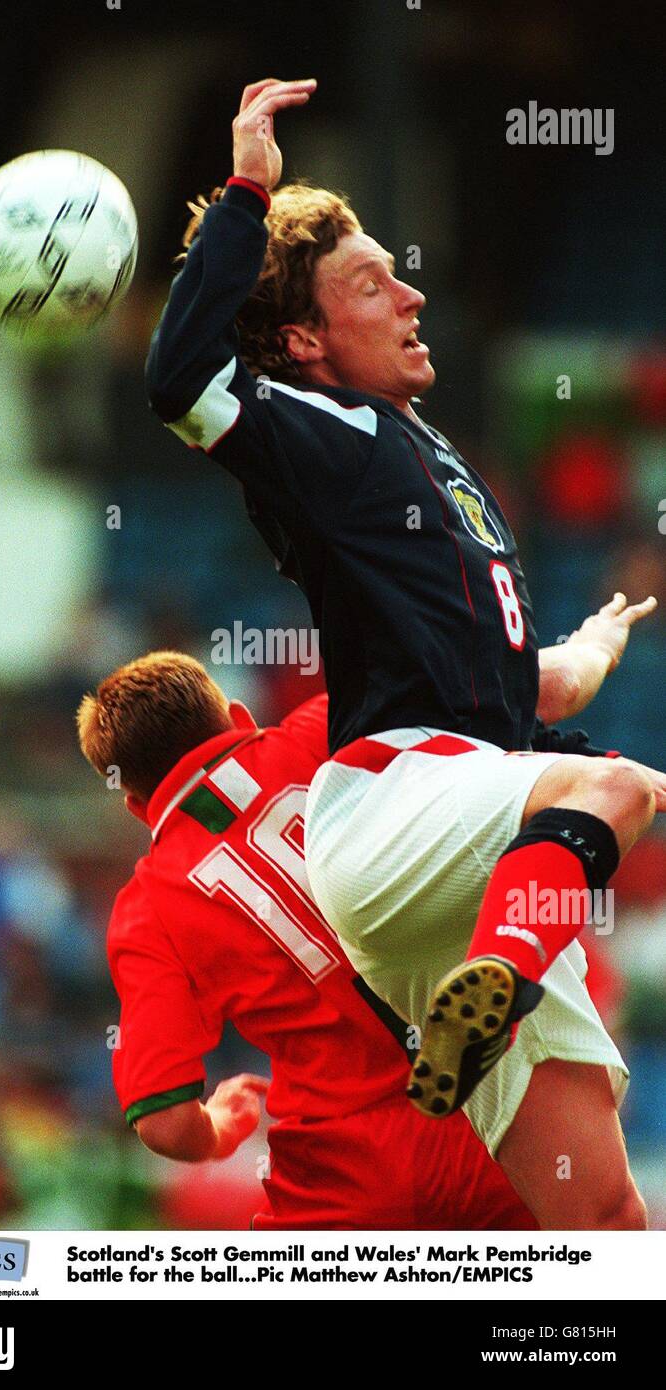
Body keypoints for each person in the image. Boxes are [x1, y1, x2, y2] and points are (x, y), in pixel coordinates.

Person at [144, 78, 665, 1226]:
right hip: (393, 808)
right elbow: (180, 382)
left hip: (464, 841)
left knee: (605, 1228)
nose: (411, 292)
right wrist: (244, 191)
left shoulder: (420, 453)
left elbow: (523, 690)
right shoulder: (315, 429)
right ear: (303, 339)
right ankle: (500, 977)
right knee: (619, 785)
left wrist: (582, 650)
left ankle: (487, 989)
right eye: (371, 283)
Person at [77, 652, 540, 1230]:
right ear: (240, 718)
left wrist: (217, 1131)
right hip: (506, 1118)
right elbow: (506, 692)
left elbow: (166, 1123)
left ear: (136, 806)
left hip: (346, 1173)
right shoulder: (325, 727)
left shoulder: (145, 911)